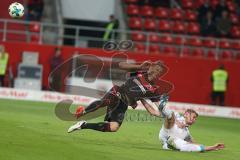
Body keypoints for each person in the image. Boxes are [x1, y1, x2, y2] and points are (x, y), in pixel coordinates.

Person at [68, 61, 173, 133]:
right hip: (118, 92)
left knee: (114, 127)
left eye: (159, 72)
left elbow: (156, 109)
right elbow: (121, 65)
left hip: (124, 104)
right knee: (106, 101)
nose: (156, 73)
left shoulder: (154, 90)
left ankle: (83, 125)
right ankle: (83, 112)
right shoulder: (140, 71)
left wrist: (165, 115)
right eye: (156, 69)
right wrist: (139, 66)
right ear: (151, 67)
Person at [141, 95, 225, 152]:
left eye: (195, 118)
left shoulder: (186, 133)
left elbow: (195, 144)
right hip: (165, 133)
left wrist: (213, 147)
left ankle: (159, 103)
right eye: (193, 117)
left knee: (187, 146)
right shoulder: (176, 115)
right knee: (170, 115)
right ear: (186, 114)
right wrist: (142, 99)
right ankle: (158, 103)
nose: (194, 120)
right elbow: (153, 112)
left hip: (169, 142)